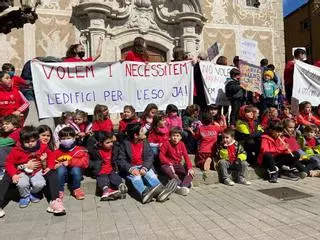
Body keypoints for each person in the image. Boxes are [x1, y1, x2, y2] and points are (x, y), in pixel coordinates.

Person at [118, 122, 177, 203]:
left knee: (151, 175)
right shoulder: (125, 144)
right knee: (137, 178)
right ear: (135, 135)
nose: (144, 132)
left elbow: (149, 156)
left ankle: (161, 191)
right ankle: (144, 193)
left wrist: (145, 167)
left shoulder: (144, 141)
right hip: (132, 168)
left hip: (143, 166)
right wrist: (131, 169)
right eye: (142, 131)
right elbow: (121, 160)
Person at [5, 126, 53, 208]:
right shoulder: (16, 150)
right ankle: (25, 196)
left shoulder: (42, 147)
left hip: (37, 171)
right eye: (27, 142)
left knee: (40, 184)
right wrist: (13, 175)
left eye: (32, 141)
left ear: (37, 139)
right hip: (22, 172)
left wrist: (50, 166)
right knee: (22, 184)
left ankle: (33, 193)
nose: (30, 143)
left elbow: (51, 156)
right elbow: (9, 163)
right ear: (22, 141)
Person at [87, 131, 127, 201]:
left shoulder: (115, 149)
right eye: (108, 143)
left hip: (111, 169)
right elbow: (88, 160)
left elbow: (117, 158)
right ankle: (106, 191)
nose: (111, 144)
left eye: (111, 141)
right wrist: (94, 166)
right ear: (100, 143)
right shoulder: (95, 151)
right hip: (100, 170)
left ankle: (121, 186)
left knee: (116, 177)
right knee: (103, 179)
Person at [53, 127, 89, 200]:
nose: (66, 140)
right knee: (60, 169)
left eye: (68, 138)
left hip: (76, 176)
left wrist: (70, 162)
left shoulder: (79, 150)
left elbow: (85, 163)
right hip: (63, 176)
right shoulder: (57, 152)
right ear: (59, 140)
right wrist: (56, 165)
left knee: (76, 169)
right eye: (63, 138)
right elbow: (52, 163)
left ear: (74, 138)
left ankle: (76, 189)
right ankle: (60, 190)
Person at [159, 127, 194, 195]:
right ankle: (181, 183)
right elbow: (161, 156)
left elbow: (186, 157)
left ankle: (183, 186)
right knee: (167, 169)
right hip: (167, 164)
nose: (175, 138)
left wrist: (190, 168)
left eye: (177, 136)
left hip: (177, 165)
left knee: (191, 172)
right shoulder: (166, 143)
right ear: (170, 136)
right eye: (173, 135)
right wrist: (169, 163)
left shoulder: (182, 144)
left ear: (181, 137)